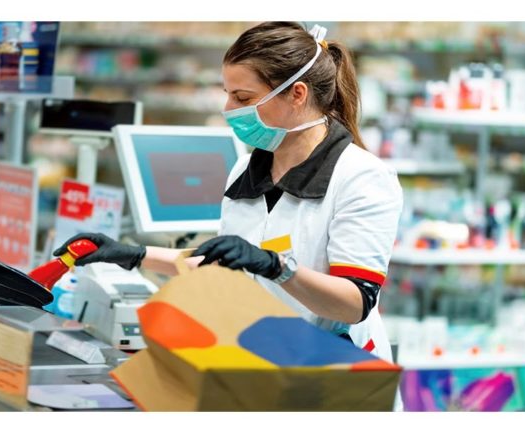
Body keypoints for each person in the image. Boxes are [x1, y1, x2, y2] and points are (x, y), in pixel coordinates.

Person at [54, 21, 404, 410]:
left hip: (334, 383)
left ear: (297, 95)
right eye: (227, 95)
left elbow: (354, 302)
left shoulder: (361, 177)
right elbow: (224, 267)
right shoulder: (246, 172)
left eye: (242, 97)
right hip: (261, 370)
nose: (228, 110)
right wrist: (132, 255)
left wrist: (277, 267)